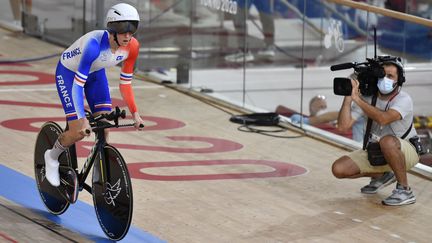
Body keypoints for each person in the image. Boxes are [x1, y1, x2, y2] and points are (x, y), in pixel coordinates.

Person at [44, 3, 145, 187]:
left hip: (96, 73)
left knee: (104, 127)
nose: (128, 35)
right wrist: (82, 119)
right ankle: (51, 157)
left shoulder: (132, 47)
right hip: (69, 74)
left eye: (133, 29)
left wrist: (135, 114)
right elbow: (77, 86)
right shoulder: (93, 45)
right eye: (124, 29)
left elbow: (126, 84)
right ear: (112, 28)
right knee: (77, 132)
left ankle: (101, 171)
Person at [331, 58, 420, 206]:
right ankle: (384, 174)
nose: (385, 79)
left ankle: (405, 190)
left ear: (400, 80)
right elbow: (343, 126)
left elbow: (383, 119)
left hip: (406, 151)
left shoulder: (404, 99)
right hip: (377, 151)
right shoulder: (368, 98)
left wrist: (358, 100)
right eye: (383, 75)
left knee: (387, 141)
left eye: (390, 76)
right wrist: (348, 97)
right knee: (338, 169)